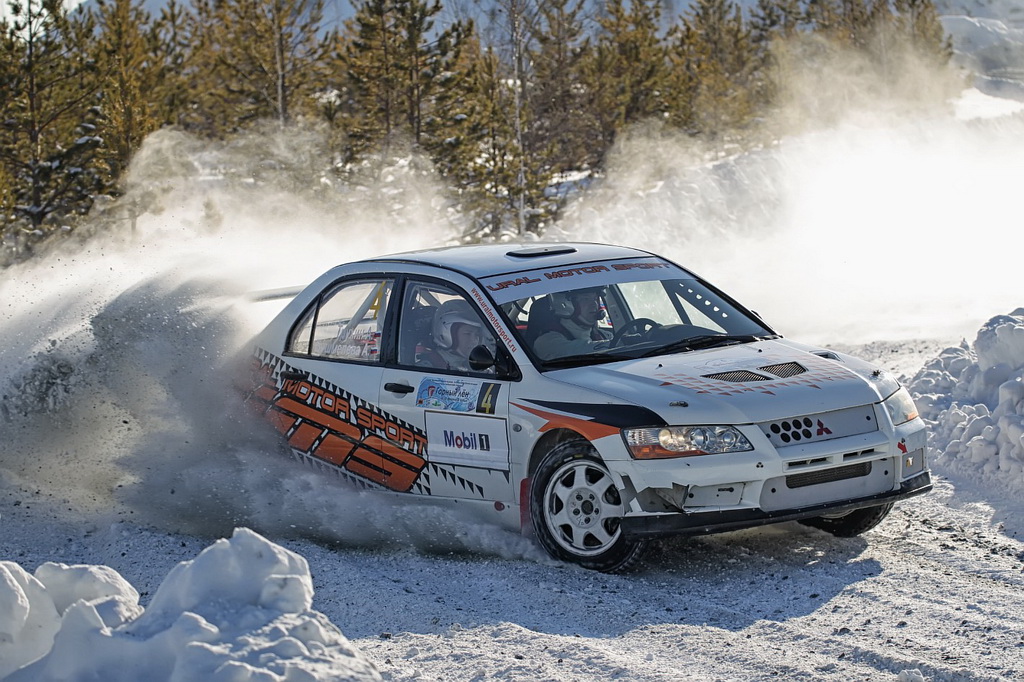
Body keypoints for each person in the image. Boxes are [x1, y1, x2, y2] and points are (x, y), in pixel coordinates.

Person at [533, 287, 612, 360]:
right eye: (586, 299)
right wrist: (613, 345)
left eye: (595, 298)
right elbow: (580, 351)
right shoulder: (547, 342)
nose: (594, 304)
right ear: (565, 304)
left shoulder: (604, 335)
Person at [429, 299, 488, 372]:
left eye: (477, 334)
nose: (475, 340)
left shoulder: (475, 367)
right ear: (445, 333)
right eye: (467, 334)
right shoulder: (429, 369)